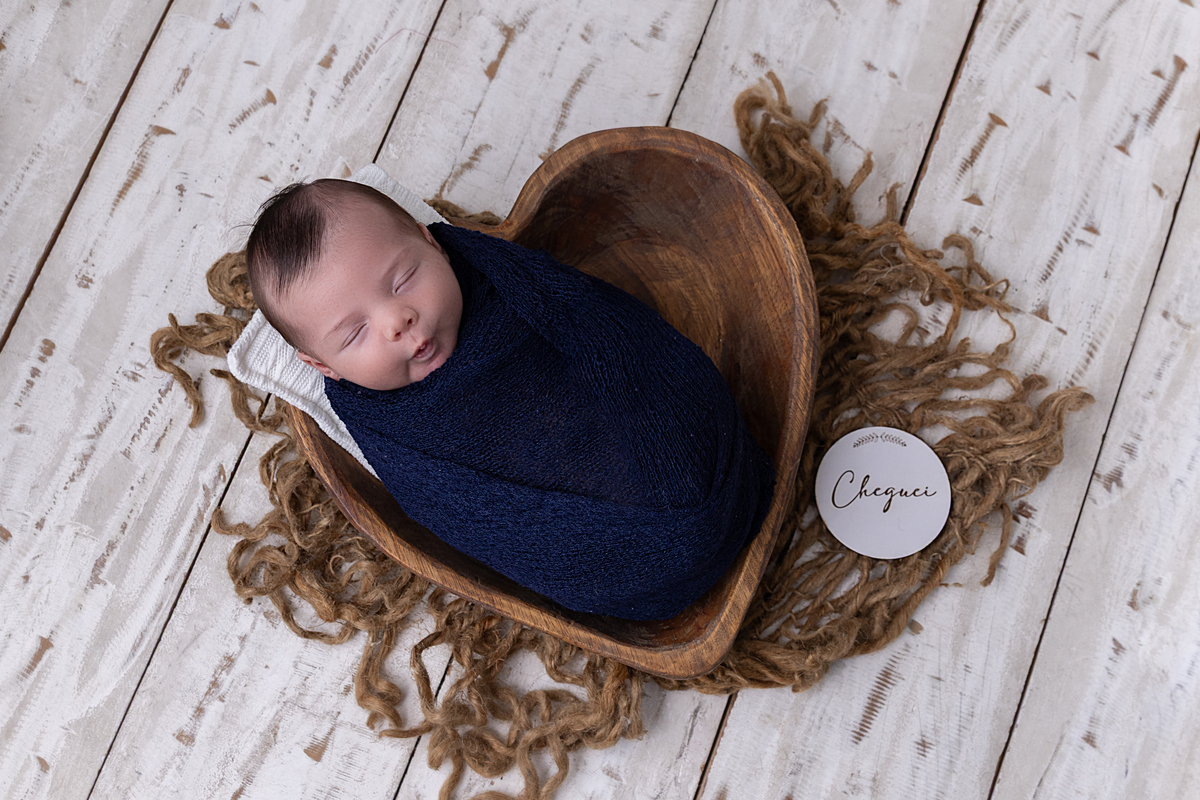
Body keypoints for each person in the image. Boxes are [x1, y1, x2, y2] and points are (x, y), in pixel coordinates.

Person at [246, 178, 775, 620]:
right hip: (625, 558)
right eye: (354, 333)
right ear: (322, 368)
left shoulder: (500, 281)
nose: (395, 321)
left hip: (689, 450)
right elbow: (450, 507)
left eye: (403, 279)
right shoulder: (391, 431)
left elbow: (603, 325)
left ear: (434, 244)